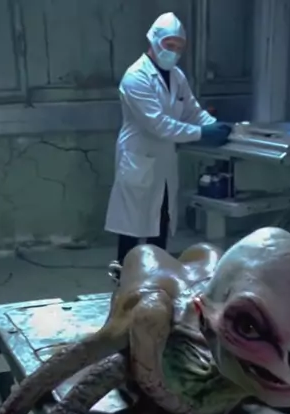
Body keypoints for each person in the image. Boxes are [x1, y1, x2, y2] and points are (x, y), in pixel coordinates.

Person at [105, 12, 231, 274]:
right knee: (132, 228)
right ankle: (124, 280)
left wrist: (215, 126)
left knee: (161, 220)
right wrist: (202, 133)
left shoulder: (177, 76)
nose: (173, 51)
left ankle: (157, 279)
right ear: (154, 41)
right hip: (139, 156)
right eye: (168, 45)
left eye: (178, 47)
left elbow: (192, 111)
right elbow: (159, 124)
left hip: (163, 160)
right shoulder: (136, 77)